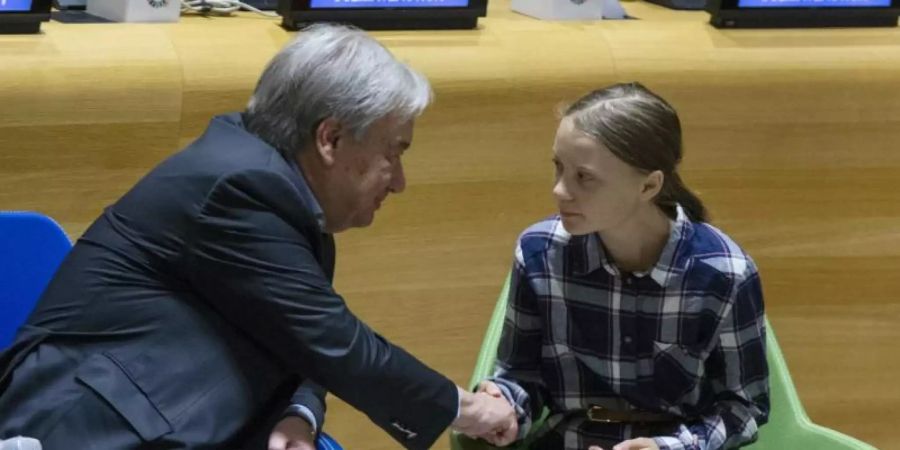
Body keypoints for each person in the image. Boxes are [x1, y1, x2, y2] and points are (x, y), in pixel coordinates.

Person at [0, 24, 515, 450]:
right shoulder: (237, 188)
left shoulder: (275, 191)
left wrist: (299, 414)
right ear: (330, 138)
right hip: (84, 430)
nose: (399, 181)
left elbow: (299, 337)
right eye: (393, 152)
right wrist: (465, 408)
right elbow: (334, 342)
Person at [476, 83, 769, 450]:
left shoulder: (725, 272)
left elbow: (744, 407)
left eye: (584, 177)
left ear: (648, 186)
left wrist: (672, 447)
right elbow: (521, 376)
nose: (559, 191)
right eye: (558, 167)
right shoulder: (540, 253)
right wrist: (502, 403)